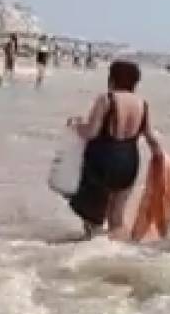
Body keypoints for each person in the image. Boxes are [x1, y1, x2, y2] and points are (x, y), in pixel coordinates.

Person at [67, 60, 162, 239]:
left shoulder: (106, 99)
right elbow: (151, 138)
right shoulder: (143, 104)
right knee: (116, 218)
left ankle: (93, 251)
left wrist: (76, 125)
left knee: (92, 216)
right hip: (129, 162)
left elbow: (92, 132)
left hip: (103, 161)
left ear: (112, 78)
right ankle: (119, 251)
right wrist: (161, 159)